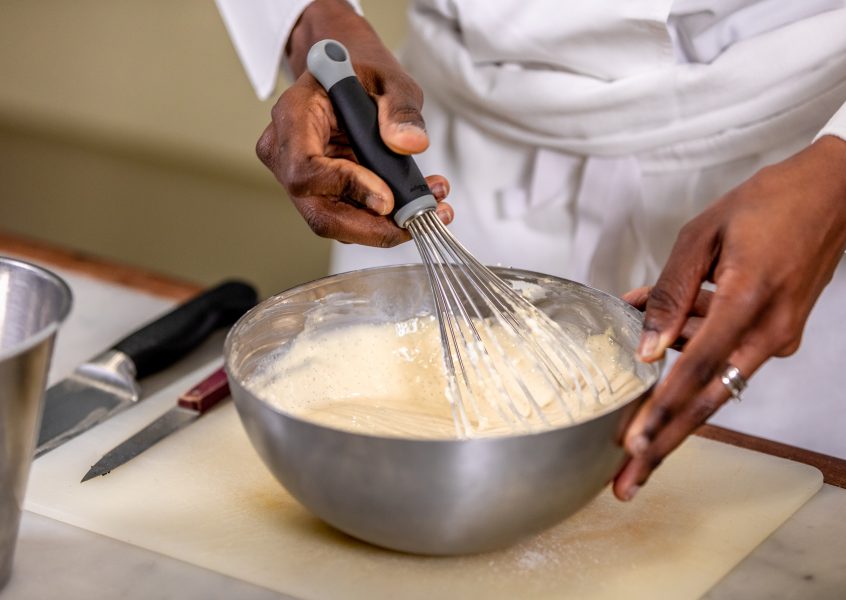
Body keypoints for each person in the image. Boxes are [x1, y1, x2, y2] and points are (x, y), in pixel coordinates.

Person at [216, 0, 846, 500]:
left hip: (795, 181)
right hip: (466, 139)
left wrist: (837, 178)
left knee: (761, 514)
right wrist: (314, 17)